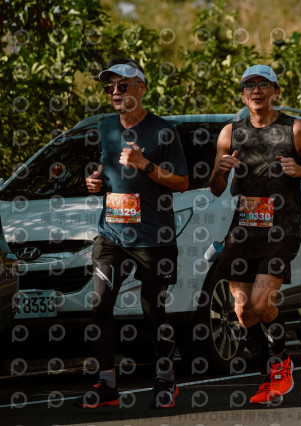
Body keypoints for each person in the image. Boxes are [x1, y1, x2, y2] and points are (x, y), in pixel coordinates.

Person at [74, 58, 189, 409]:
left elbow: (182, 182)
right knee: (99, 305)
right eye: (109, 87)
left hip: (153, 237)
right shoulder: (106, 127)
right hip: (111, 234)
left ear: (141, 88)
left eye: (122, 86)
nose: (114, 92)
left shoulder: (163, 130)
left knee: (153, 311)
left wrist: (146, 165)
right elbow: (108, 166)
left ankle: (166, 380)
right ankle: (107, 385)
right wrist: (95, 179)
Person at [210, 64, 301, 405]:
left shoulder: (296, 128)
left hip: (282, 227)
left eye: (263, 84)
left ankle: (282, 360)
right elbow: (215, 187)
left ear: (276, 92)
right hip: (244, 228)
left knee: (262, 302)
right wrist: (220, 171)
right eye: (250, 86)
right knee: (243, 311)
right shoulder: (230, 133)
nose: (256, 91)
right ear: (243, 95)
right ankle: (267, 375)